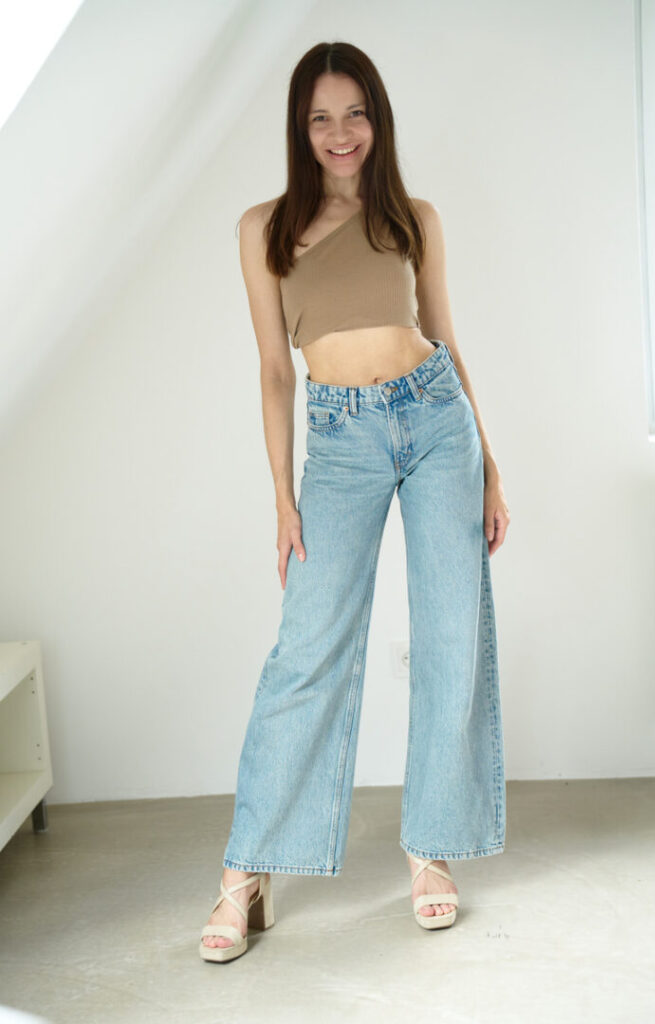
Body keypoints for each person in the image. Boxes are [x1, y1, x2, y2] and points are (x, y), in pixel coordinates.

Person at [199, 41, 510, 963]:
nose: (340, 134)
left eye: (355, 113)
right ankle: (246, 872)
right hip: (338, 440)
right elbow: (273, 369)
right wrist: (281, 496)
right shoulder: (264, 228)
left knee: (449, 638)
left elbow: (443, 336)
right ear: (300, 129)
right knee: (306, 652)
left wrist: (490, 465)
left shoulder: (414, 217)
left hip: (436, 422)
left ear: (377, 119)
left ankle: (432, 848)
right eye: (320, 118)